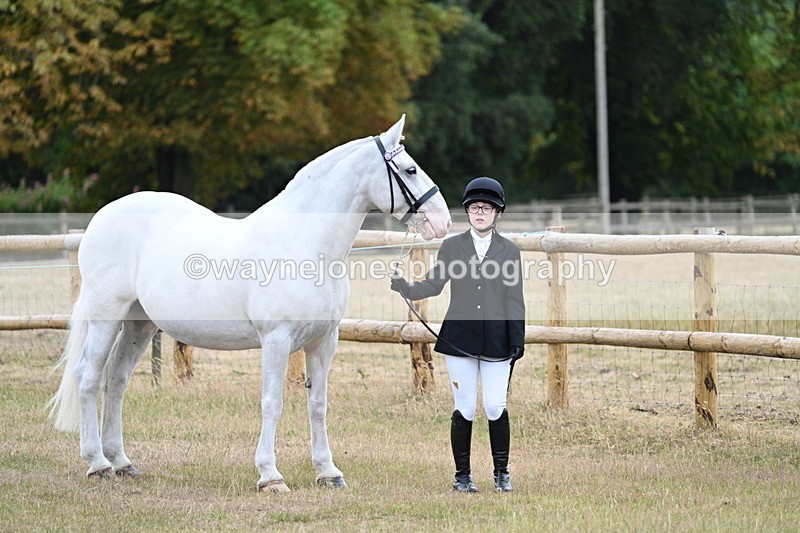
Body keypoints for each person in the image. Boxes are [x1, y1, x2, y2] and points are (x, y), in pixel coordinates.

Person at [390, 176, 525, 493]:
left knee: (494, 406)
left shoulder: (510, 251)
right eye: (475, 207)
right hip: (459, 339)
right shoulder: (452, 246)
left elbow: (514, 299)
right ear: (468, 211)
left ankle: (501, 473)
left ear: (496, 212)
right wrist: (407, 287)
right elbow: (434, 284)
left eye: (487, 207)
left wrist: (517, 339)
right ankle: (462, 476)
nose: (480, 212)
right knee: (464, 407)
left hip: (497, 340)